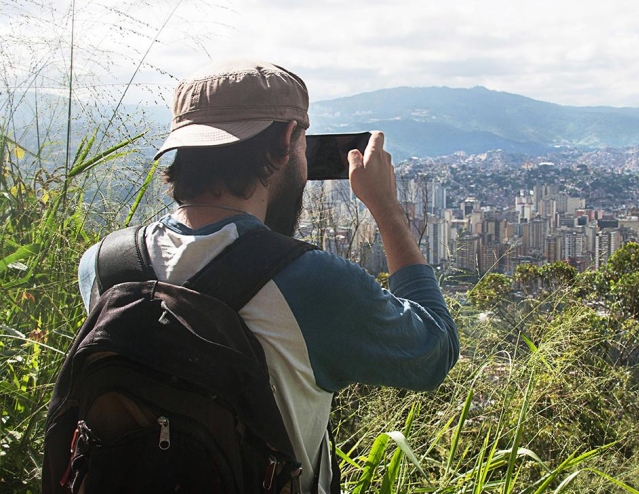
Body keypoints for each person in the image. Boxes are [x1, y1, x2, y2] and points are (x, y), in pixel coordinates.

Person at [77, 59, 460, 493]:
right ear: (284, 141)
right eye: (303, 140)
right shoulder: (312, 282)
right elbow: (435, 349)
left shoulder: (104, 265)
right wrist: (387, 209)